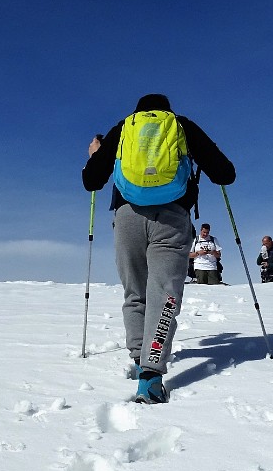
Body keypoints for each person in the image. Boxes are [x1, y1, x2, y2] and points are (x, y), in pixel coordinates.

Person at [82, 93, 235, 404]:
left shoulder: (123, 128)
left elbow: (92, 181)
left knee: (135, 293)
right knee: (164, 293)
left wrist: (95, 155)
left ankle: (142, 359)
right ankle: (150, 378)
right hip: (172, 218)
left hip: (127, 217)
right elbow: (225, 173)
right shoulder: (182, 126)